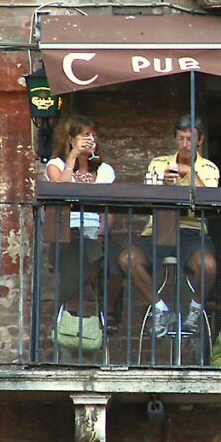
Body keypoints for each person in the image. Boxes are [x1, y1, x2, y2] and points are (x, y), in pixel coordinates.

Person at [119, 114, 219, 338]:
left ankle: (195, 307)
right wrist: (164, 185)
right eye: (180, 139)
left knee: (209, 265)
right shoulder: (158, 163)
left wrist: (190, 174)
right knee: (128, 259)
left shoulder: (209, 167)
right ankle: (160, 308)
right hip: (159, 229)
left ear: (200, 141)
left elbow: (210, 202)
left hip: (192, 230)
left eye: (190, 140)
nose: (184, 145)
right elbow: (147, 199)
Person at [44, 115, 123, 332]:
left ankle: (104, 305)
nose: (91, 139)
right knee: (87, 253)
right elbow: (62, 191)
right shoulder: (56, 165)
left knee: (119, 258)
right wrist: (73, 157)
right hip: (67, 232)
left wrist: (102, 232)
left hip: (95, 231)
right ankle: (71, 305)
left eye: (93, 135)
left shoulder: (104, 170)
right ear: (71, 140)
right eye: (85, 135)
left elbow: (108, 210)